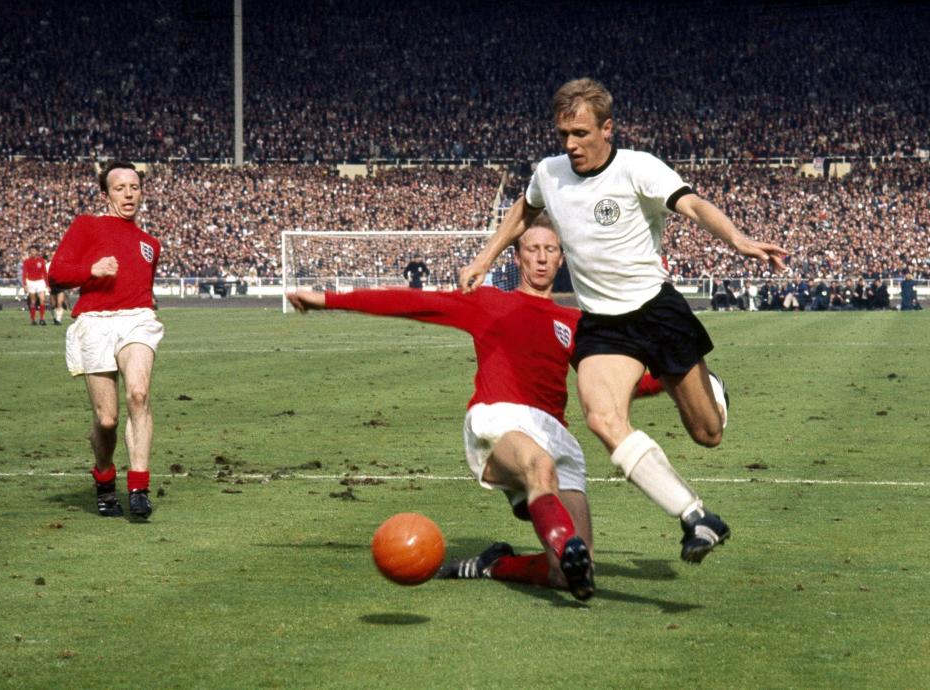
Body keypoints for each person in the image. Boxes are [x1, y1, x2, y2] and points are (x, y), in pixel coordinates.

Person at [459, 77, 787, 564]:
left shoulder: (638, 168)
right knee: (603, 418)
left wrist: (736, 239)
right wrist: (486, 257)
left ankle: (712, 389)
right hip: (603, 325)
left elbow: (692, 204)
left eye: (581, 134)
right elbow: (523, 211)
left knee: (708, 433)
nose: (570, 145)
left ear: (607, 129)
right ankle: (696, 515)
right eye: (564, 135)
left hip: (657, 312)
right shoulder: (549, 173)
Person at [289, 216, 663, 600]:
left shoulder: (577, 323)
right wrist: (327, 300)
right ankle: (563, 542)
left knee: (572, 575)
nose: (541, 258)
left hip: (556, 433)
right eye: (532, 249)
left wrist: (677, 376)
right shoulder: (487, 301)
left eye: (550, 250)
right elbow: (412, 303)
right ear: (517, 257)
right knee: (540, 468)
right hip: (500, 419)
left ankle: (494, 564)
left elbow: (615, 389)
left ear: (561, 258)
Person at [48, 160, 163, 520]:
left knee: (139, 395)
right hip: (95, 322)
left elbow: (143, 288)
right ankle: (104, 477)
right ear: (105, 194)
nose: (129, 194)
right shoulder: (87, 225)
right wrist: (91, 270)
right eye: (119, 188)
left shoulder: (150, 244)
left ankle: (139, 487)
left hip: (137, 320)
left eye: (134, 187)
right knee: (107, 420)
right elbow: (56, 276)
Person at [21, 245, 49, 325]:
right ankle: (33, 319)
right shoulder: (26, 262)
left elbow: (44, 273)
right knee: (33, 301)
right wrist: (25, 284)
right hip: (31, 282)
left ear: (37, 252)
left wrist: (47, 284)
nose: (32, 252)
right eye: (31, 251)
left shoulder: (41, 261)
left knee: (42, 300)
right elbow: (24, 273)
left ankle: (42, 319)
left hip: (40, 281)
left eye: (34, 251)